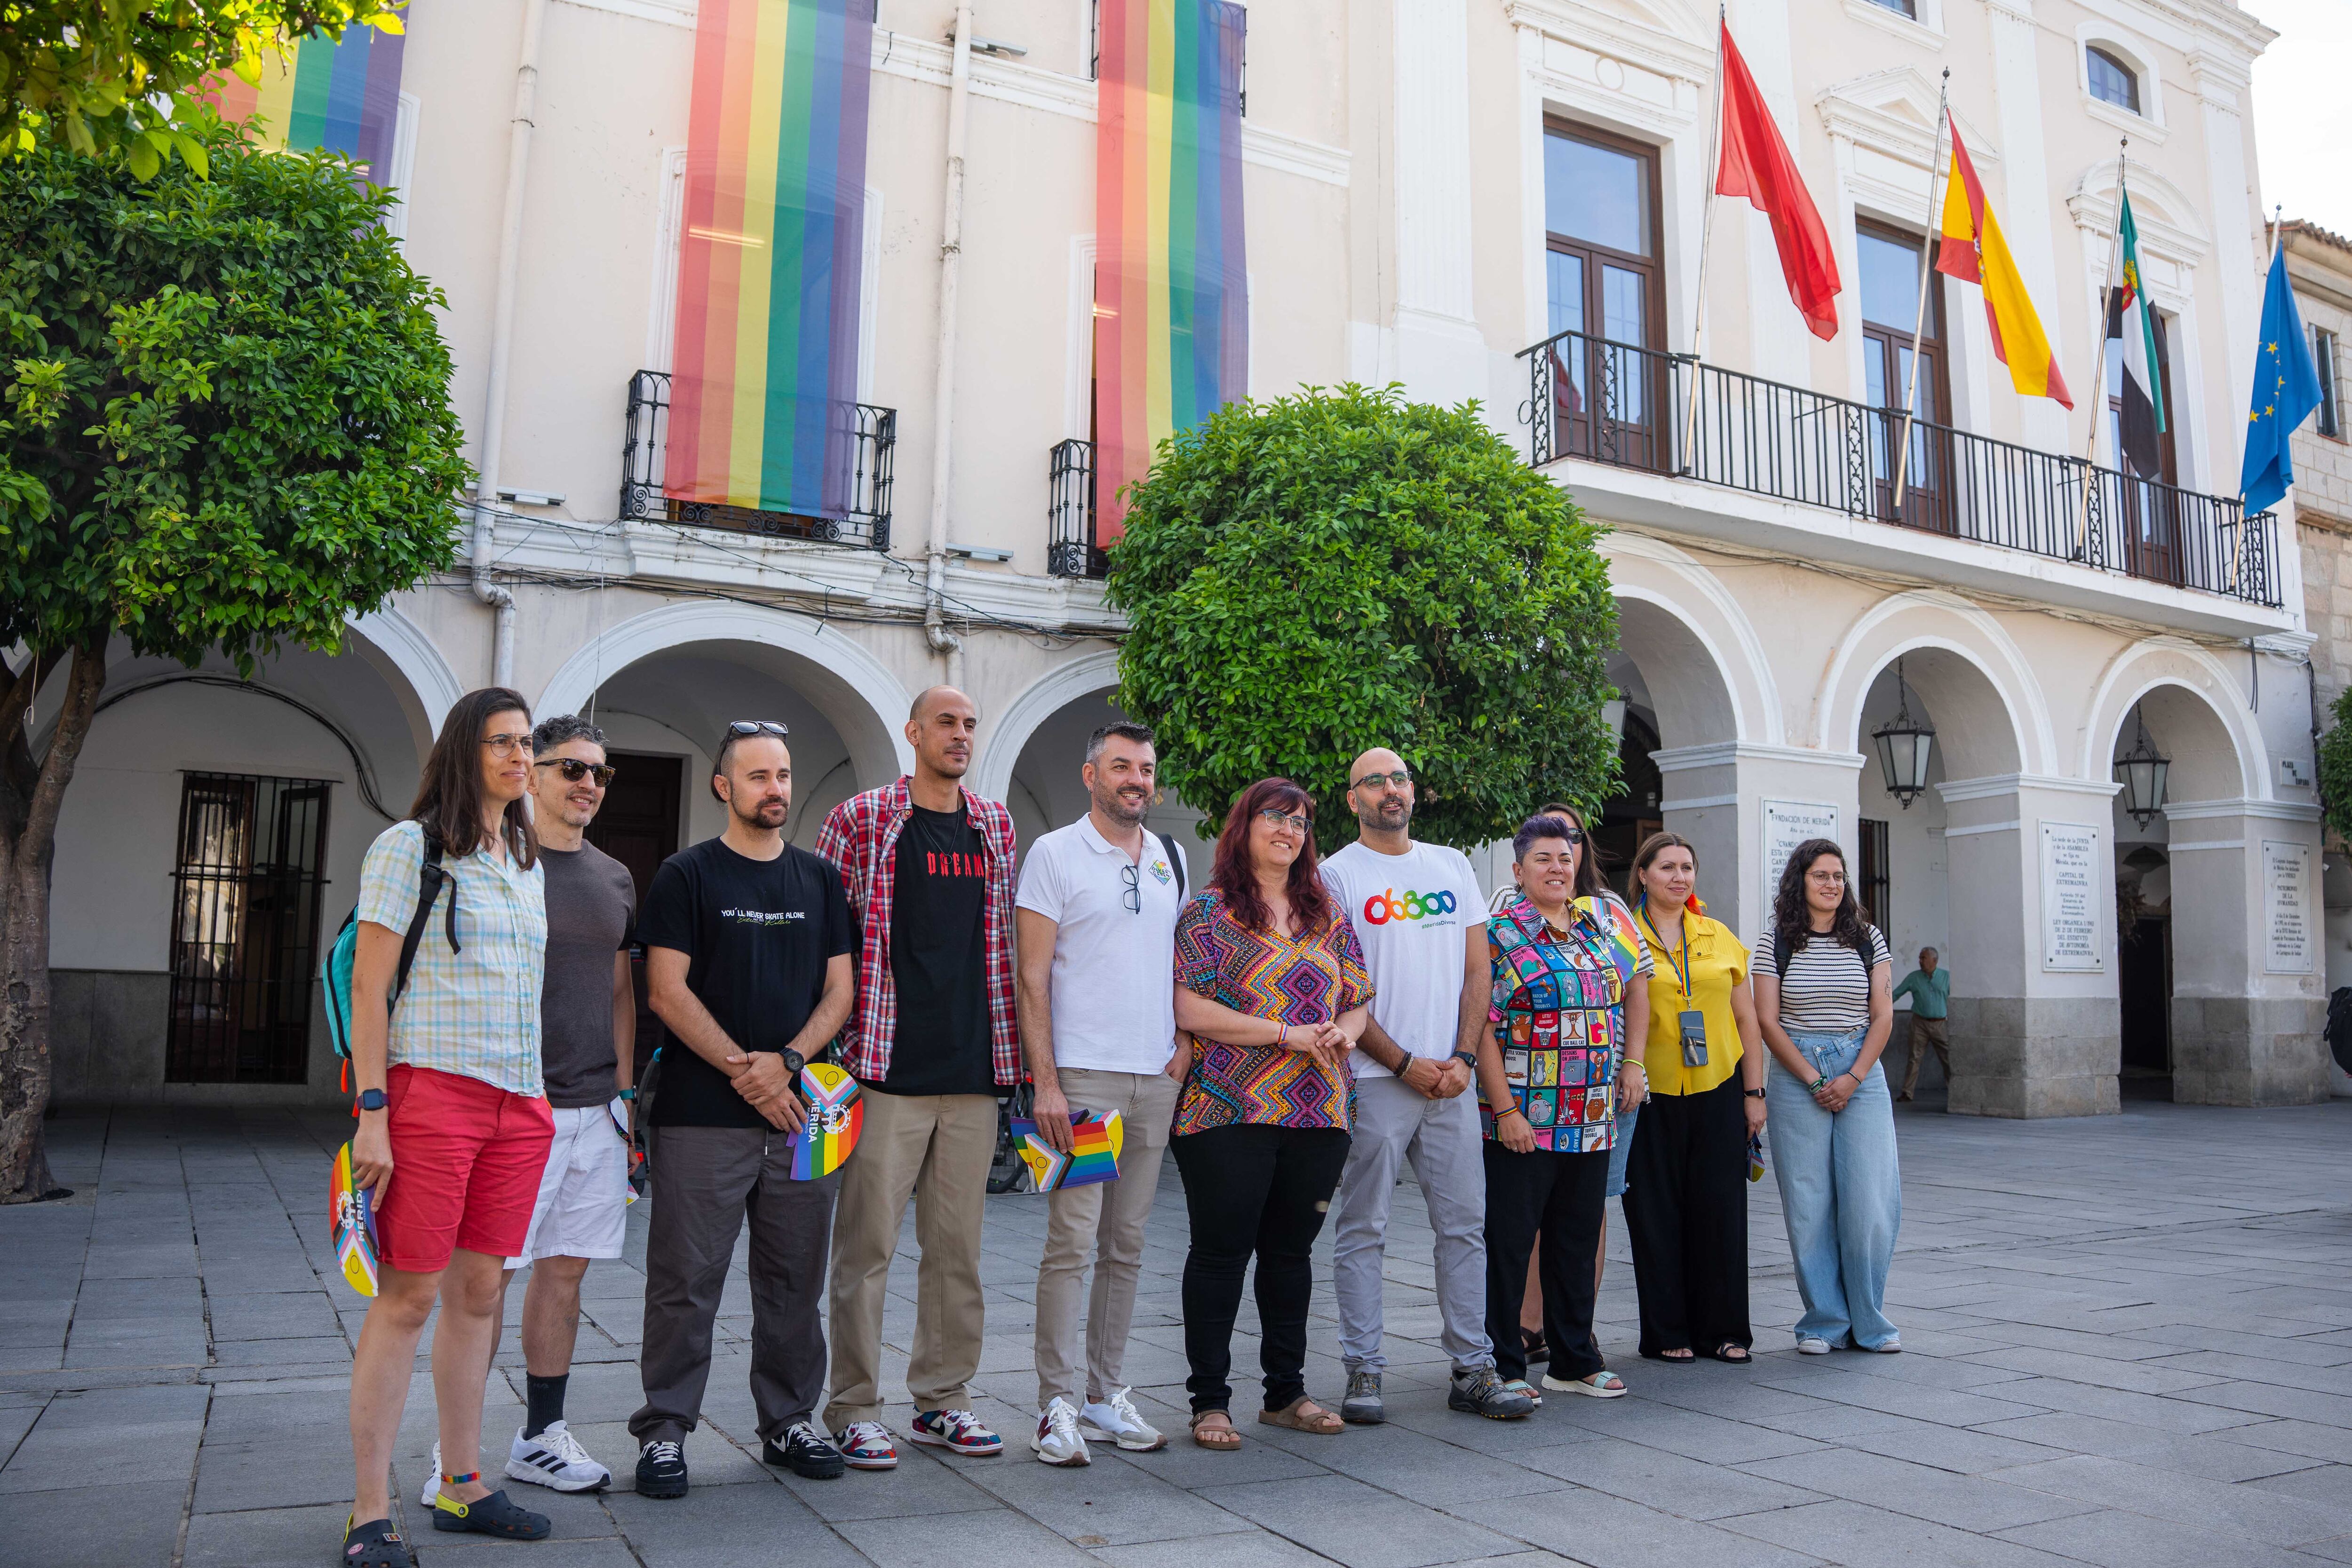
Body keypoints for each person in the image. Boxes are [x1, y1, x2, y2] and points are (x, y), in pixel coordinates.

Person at [341, 689, 554, 1566]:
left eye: (527, 742)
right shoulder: (410, 845)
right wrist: (373, 1110)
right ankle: (368, 1509)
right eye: (501, 742)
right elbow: (368, 986)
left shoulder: (527, 859)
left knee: (479, 1293)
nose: (519, 757)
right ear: (465, 752)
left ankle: (463, 1483)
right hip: (432, 1094)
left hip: (518, 1100)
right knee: (408, 1298)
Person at [629, 720, 858, 1497]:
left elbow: (841, 990)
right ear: (725, 785)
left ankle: (791, 1418)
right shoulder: (686, 875)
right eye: (759, 775)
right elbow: (665, 990)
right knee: (686, 1279)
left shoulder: (821, 880)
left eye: (785, 774)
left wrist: (788, 1062)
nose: (777, 789)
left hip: (803, 1115)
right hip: (701, 1115)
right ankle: (665, 1430)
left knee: (795, 1279)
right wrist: (746, 1070)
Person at [421, 714, 636, 1501]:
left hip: (595, 1109)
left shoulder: (615, 876)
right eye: (572, 767)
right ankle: (457, 1456)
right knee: (484, 1280)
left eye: (600, 772)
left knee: (565, 1273)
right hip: (514, 1104)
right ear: (533, 774)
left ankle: (541, 1435)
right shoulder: (496, 863)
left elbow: (619, 985)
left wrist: (622, 1091)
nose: (588, 782)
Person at [818, 687, 1021, 1468]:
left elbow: (1003, 940)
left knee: (957, 1251)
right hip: (883, 1065)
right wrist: (830, 1054)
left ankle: (943, 1398)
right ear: (914, 732)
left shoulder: (995, 824)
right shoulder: (863, 818)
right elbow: (829, 940)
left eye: (971, 724)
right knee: (865, 1247)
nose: (961, 734)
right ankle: (855, 1404)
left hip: (974, 1066)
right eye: (947, 722)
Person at [1322, 749, 1531, 1425]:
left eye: (1400, 778)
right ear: (1352, 798)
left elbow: (1479, 970)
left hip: (1453, 1079)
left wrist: (1464, 1058)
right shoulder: (1334, 876)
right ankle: (1364, 1368)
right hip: (1375, 1077)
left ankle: (1473, 1367)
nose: (1391, 789)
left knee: (1465, 1226)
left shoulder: (1450, 865)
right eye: (1375, 780)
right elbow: (1341, 987)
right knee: (1363, 1225)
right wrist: (1405, 1059)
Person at [1169, 778, 1373, 1450]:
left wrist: (1344, 1028)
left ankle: (1286, 1392)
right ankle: (1211, 1402)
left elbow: (1360, 996)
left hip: (1320, 1110)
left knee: (1290, 1255)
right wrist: (1285, 1033)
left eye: (1301, 820)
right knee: (1222, 1253)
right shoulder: (1209, 912)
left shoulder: (1328, 913)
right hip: (1229, 1106)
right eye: (1275, 817)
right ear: (1246, 825)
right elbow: (1189, 1008)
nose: (1289, 829)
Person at [1015, 721, 1187, 1465]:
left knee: (1127, 1243)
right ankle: (1055, 1405)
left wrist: (1181, 1050)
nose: (1136, 780)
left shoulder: (1170, 857)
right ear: (1091, 775)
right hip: (1082, 1081)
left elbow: (1180, 965)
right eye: (1121, 766)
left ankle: (1105, 1392)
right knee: (1073, 1243)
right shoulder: (1054, 853)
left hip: (1155, 1078)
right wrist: (1045, 1081)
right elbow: (1032, 977)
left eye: (1146, 769)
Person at [1474, 812, 1648, 1405]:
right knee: (1510, 1243)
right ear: (1518, 869)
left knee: (1576, 1241)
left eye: (1565, 856)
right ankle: (1502, 1363)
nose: (1557, 866)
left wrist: (1632, 1065)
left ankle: (1574, 1358)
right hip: (1524, 1120)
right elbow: (1481, 1032)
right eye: (1543, 858)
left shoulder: (1595, 928)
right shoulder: (1497, 934)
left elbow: (1631, 992)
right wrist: (1504, 1110)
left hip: (1591, 1118)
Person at [1621, 832, 1766, 1365]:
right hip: (1647, 1091)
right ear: (1642, 874)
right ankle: (1666, 1331)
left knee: (1721, 1210)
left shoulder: (1718, 935)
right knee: (1654, 1212)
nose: (1678, 877)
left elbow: (1746, 1019)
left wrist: (1754, 1093)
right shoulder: (1620, 935)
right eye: (1666, 867)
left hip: (1718, 1088)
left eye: (1687, 867)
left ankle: (1725, 1330)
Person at [1754, 838, 1899, 1355]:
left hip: (1861, 1069)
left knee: (1868, 1200)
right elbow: (1766, 1021)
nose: (1832, 884)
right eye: (1821, 875)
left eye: (1838, 876)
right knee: (1809, 1203)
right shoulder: (1773, 941)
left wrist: (1853, 1077)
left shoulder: (1867, 938)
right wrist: (1814, 1080)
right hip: (1798, 1074)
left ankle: (1870, 1321)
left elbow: (1882, 1015)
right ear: (1800, 881)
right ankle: (1822, 1321)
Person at [1893, 948, 1951, 1102]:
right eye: (1920, 958)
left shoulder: (1946, 977)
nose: (1921, 961)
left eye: (1924, 958)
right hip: (1919, 1023)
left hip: (1940, 1024)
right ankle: (1907, 1093)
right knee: (1914, 1058)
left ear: (1935, 960)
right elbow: (1896, 994)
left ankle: (1954, 1090)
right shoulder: (1914, 978)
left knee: (1948, 1058)